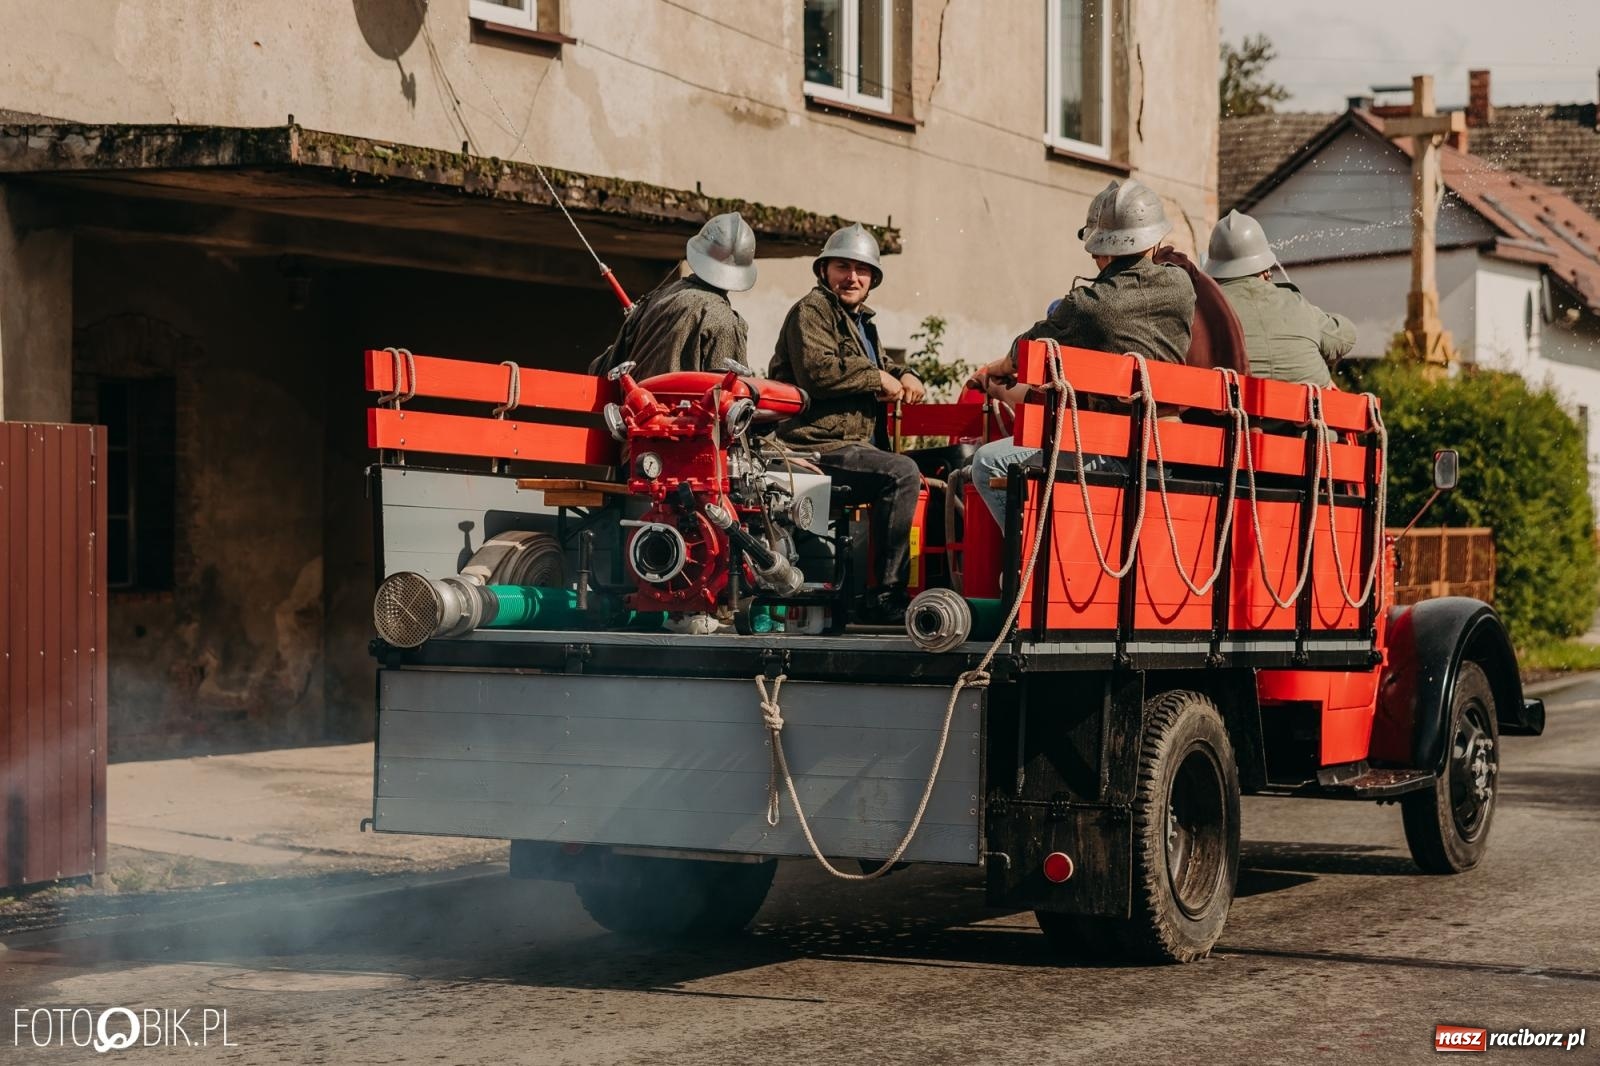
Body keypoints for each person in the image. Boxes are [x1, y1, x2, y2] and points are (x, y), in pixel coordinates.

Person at [967, 179, 1197, 525]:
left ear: (1101, 249)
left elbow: (1027, 350)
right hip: (1170, 448)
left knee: (988, 462)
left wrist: (996, 368)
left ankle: (1032, 553)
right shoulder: (1182, 287)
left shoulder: (1088, 306)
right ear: (1154, 241)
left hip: (1116, 450)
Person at [768, 223, 926, 624]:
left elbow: (877, 363)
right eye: (842, 267)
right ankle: (885, 596)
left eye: (862, 270)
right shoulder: (812, 311)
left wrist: (904, 373)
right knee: (901, 473)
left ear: (873, 279)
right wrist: (878, 378)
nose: (852, 277)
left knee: (929, 469)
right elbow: (819, 372)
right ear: (824, 270)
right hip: (812, 446)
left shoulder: (859, 321)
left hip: (850, 446)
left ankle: (883, 590)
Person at [589, 212, 756, 379]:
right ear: (739, 271)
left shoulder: (656, 298)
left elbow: (600, 369)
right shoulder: (725, 322)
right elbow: (730, 392)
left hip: (631, 396)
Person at [1204, 209, 1356, 385]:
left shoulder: (1202, 311)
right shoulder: (1297, 305)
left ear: (1214, 270)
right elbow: (1346, 336)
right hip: (1305, 403)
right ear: (1266, 269)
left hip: (1230, 401)